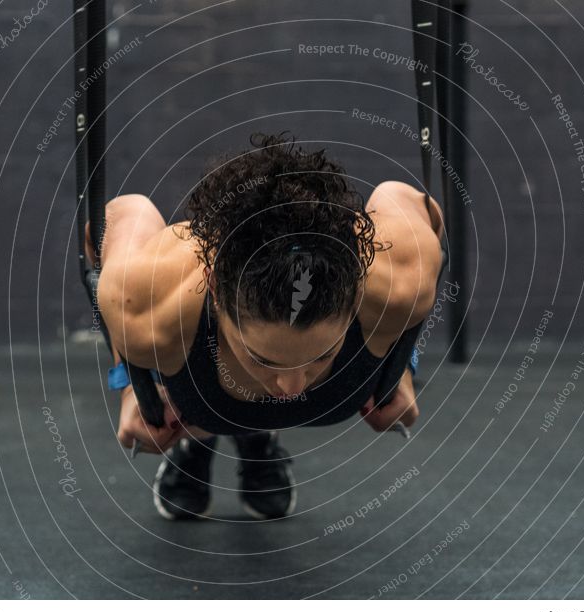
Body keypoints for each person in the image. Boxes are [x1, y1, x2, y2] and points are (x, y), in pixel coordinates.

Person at [88, 132, 444, 521]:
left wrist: (399, 365)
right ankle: (197, 445)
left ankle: (252, 427)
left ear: (358, 291)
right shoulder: (142, 300)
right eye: (264, 359)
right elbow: (116, 217)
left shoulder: (400, 279)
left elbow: (405, 198)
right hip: (195, 395)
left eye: (321, 355)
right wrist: (132, 385)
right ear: (215, 295)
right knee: (140, 247)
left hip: (242, 371)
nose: (292, 387)